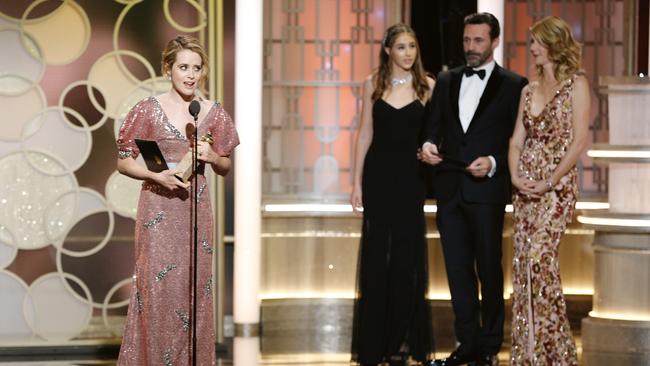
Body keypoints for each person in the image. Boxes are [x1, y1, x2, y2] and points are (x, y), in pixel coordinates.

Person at [115, 35, 239, 365]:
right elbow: (124, 161)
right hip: (157, 209)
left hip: (196, 213)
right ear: (168, 68)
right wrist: (155, 175)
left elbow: (226, 167)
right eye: (183, 67)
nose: (190, 75)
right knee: (157, 292)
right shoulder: (147, 110)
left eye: (197, 68)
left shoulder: (212, 113)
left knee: (194, 292)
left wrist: (213, 156)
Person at [419, 13, 528, 366]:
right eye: (467, 40)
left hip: (487, 191)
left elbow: (520, 141)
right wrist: (429, 145)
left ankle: (491, 344)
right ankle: (467, 343)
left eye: (478, 41)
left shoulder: (515, 85)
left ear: (494, 41)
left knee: (489, 269)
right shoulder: (447, 80)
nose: (470, 47)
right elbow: (433, 128)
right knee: (457, 270)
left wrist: (495, 162)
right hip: (450, 189)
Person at [350, 23, 435, 366]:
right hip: (378, 179)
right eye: (401, 47)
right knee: (376, 261)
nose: (408, 53)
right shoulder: (373, 83)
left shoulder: (428, 85)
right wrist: (355, 183)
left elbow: (434, 132)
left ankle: (401, 341)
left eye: (412, 46)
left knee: (407, 261)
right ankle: (375, 344)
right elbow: (364, 134)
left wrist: (432, 151)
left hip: (411, 181)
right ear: (388, 50)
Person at [508, 16, 589, 365]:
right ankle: (529, 353)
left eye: (539, 42)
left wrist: (551, 180)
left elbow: (579, 141)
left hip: (556, 189)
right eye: (532, 43)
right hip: (525, 187)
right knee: (523, 265)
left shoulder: (577, 85)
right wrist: (514, 177)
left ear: (555, 44)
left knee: (541, 259)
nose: (533, 49)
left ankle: (555, 351)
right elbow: (515, 141)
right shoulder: (528, 90)